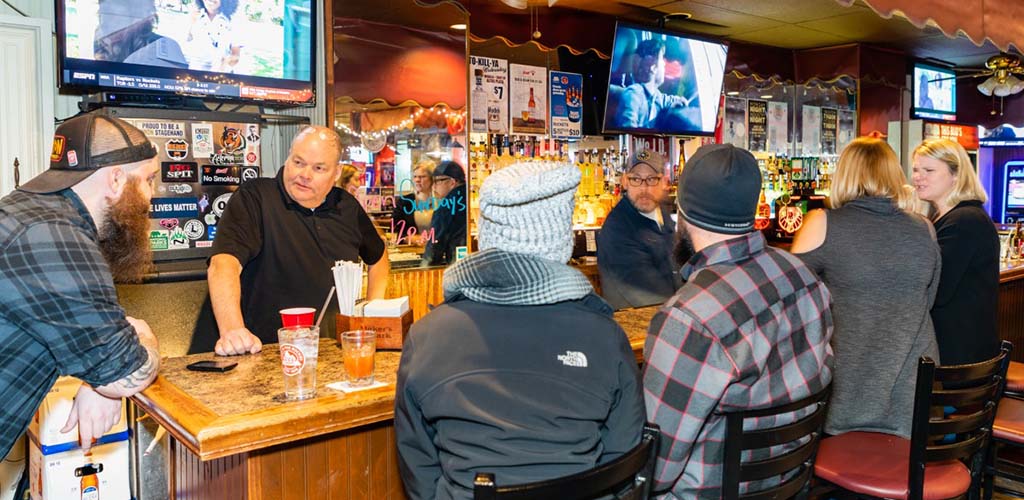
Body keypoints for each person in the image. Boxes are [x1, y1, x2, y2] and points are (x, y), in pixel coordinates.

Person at [396, 161, 644, 499]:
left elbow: (419, 468)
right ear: (561, 240)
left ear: (484, 236)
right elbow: (625, 457)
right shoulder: (604, 336)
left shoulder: (427, 336)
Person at [643, 143, 833, 498]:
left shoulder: (689, 318)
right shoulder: (804, 278)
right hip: (789, 485)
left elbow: (655, 468)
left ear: (681, 214)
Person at [0, 113, 162, 458]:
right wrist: (143, 333)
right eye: (148, 180)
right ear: (117, 179)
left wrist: (100, 382)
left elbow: (96, 347)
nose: (151, 196)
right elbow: (126, 371)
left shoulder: (33, 215)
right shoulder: (54, 237)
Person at [791, 137, 941, 438]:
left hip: (849, 384)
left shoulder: (821, 223)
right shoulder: (924, 227)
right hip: (918, 386)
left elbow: (790, 303)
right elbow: (929, 298)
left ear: (844, 174)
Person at [201, 126, 389, 356]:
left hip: (332, 352)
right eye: (298, 162)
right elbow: (223, 263)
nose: (305, 175)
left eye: (318, 168)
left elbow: (378, 257)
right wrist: (233, 330)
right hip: (264, 353)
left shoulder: (346, 206)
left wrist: (371, 315)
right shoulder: (256, 197)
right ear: (288, 157)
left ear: (336, 173)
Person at [912, 138, 1000, 365]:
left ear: (956, 175)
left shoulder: (964, 220)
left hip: (958, 359)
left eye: (929, 170)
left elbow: (936, 290)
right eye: (915, 169)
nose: (918, 177)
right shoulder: (948, 217)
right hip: (956, 350)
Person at [597, 149, 679, 310]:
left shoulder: (661, 213)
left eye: (651, 179)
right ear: (625, 182)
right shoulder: (618, 230)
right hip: (639, 328)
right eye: (636, 179)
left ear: (664, 182)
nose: (643, 189)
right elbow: (650, 297)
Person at [612, 39, 700, 131]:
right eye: (662, 59)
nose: (665, 64)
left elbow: (677, 100)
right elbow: (628, 130)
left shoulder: (658, 97)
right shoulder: (633, 94)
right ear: (653, 67)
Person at [94, 0, 187, 69]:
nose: (104, 25)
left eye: (111, 16)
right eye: (101, 16)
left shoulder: (161, 51)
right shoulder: (102, 42)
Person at [422, 161, 467, 266]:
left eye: (437, 181)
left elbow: (434, 246)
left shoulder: (446, 206)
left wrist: (425, 270)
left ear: (452, 182)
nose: (434, 187)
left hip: (457, 266)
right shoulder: (472, 198)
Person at [185, 0, 242, 73]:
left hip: (219, 77)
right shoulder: (194, 16)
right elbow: (185, 43)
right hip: (193, 75)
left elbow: (236, 57)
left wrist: (224, 64)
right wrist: (191, 23)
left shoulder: (234, 22)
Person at [392, 159, 435, 239]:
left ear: (432, 179)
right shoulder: (404, 202)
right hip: (411, 248)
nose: (417, 180)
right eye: (415, 177)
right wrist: (410, 238)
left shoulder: (442, 201)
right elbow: (395, 230)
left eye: (422, 177)